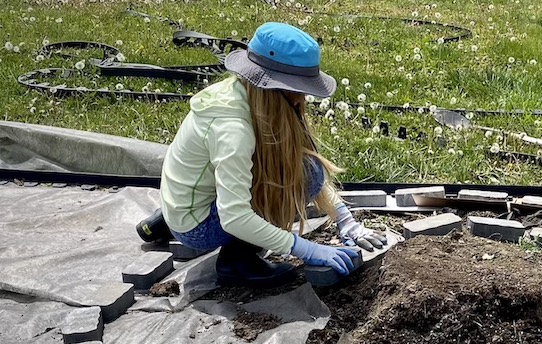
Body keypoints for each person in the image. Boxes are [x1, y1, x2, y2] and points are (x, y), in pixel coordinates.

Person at [155, 21, 386, 287]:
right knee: (308, 176)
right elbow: (235, 217)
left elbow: (296, 159)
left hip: (187, 198)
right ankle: (237, 262)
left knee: (306, 168)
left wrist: (346, 220)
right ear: (277, 88)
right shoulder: (232, 129)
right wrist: (307, 250)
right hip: (196, 225)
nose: (303, 98)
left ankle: (170, 217)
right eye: (299, 90)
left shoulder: (244, 95)